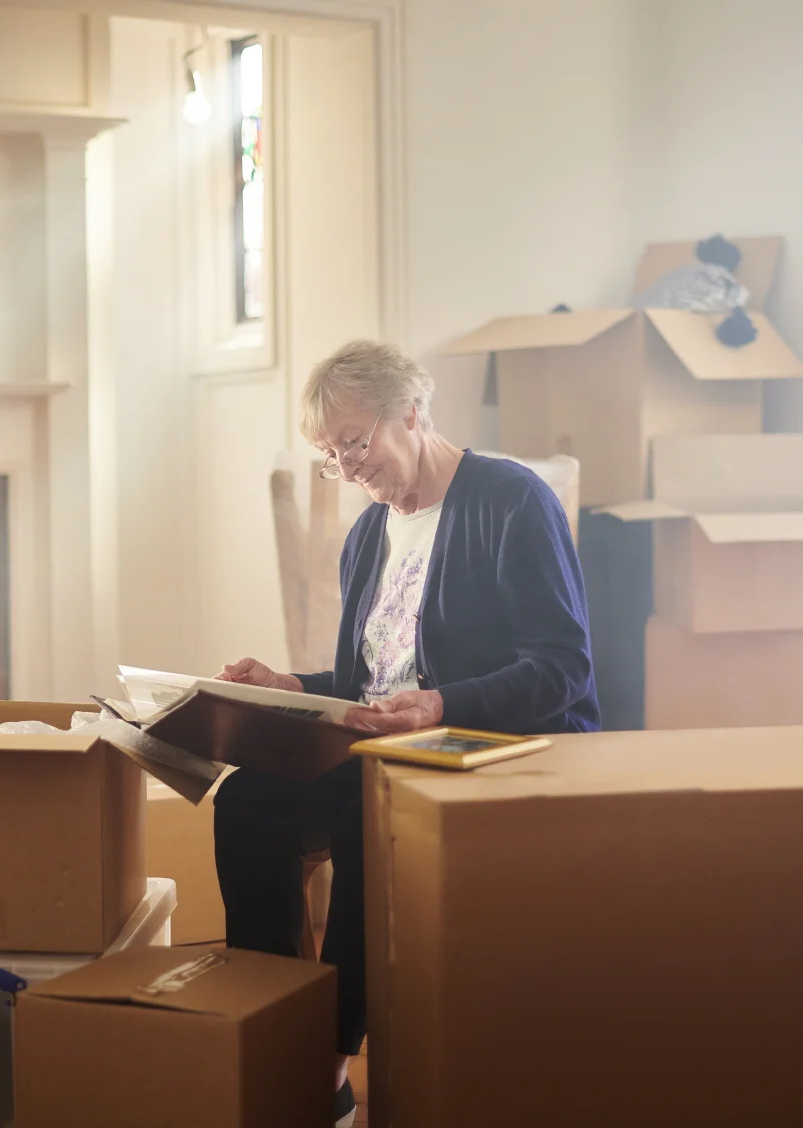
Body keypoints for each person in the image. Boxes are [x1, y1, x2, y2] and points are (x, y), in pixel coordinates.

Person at [214, 339, 598, 1127]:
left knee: (365, 805)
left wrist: (441, 703)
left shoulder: (509, 501)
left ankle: (324, 1065)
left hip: (498, 747)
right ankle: (273, 1022)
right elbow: (367, 692)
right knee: (247, 800)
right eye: (330, 456)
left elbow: (565, 670)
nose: (348, 468)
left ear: (414, 413)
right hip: (397, 743)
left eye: (355, 443)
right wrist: (293, 689)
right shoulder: (370, 534)